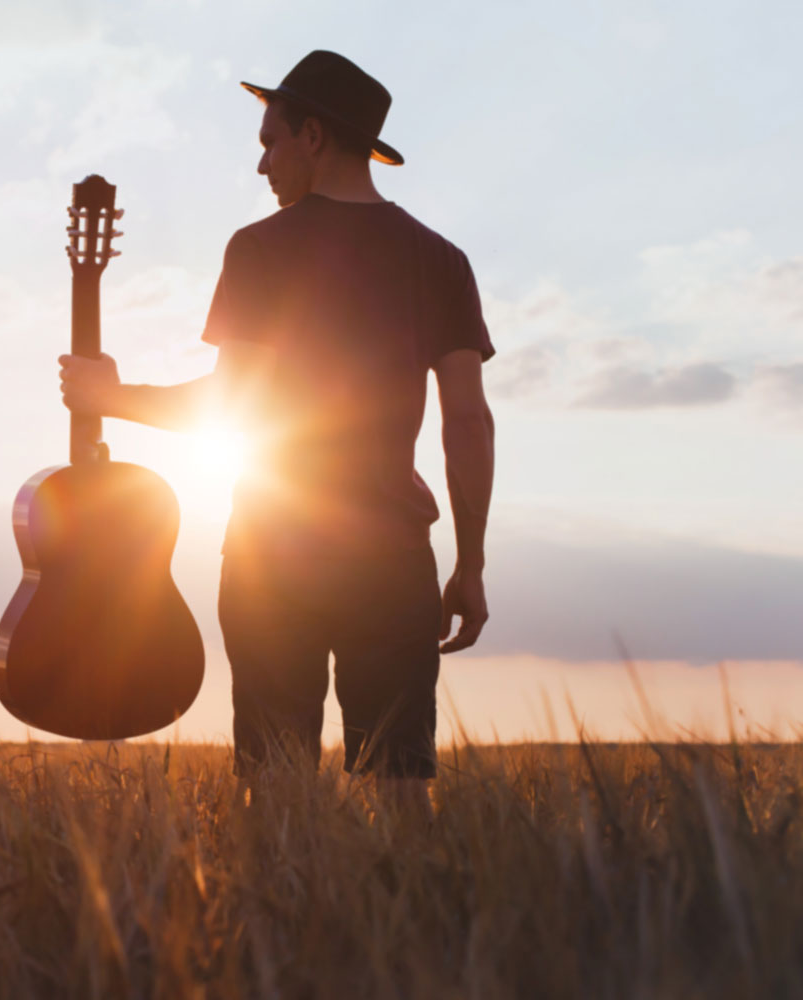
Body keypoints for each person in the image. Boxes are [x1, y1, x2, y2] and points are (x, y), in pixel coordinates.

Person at [59, 51, 494, 819]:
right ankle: (419, 936)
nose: (262, 164)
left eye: (271, 141)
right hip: (393, 554)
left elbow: (236, 403)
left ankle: (278, 939)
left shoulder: (260, 249)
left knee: (276, 792)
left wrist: (110, 396)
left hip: (273, 551)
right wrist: (470, 564)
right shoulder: (442, 260)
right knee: (401, 791)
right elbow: (468, 420)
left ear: (314, 135)